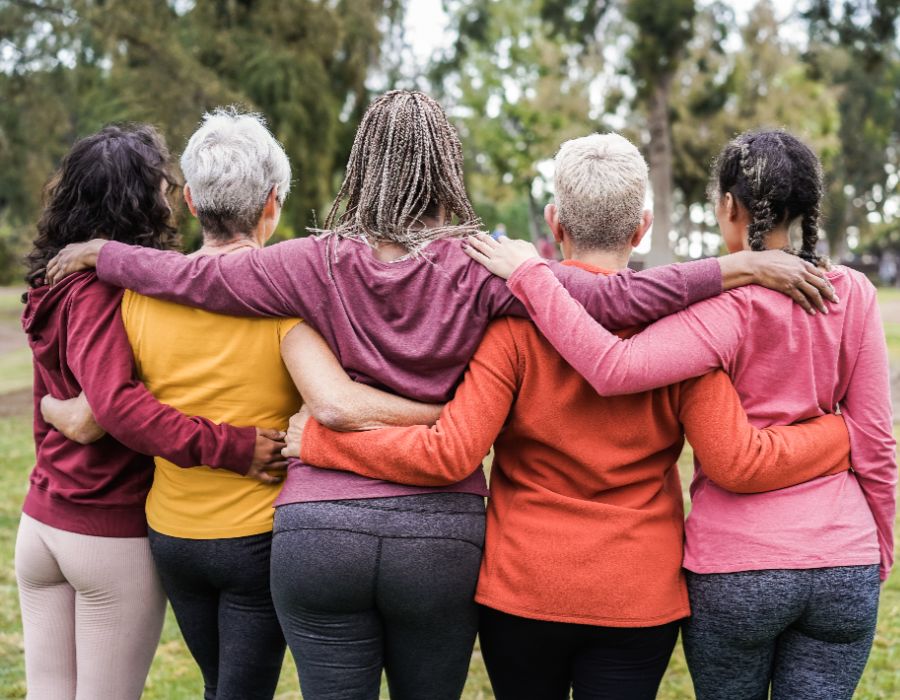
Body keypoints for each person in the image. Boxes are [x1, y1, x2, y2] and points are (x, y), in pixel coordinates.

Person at [44, 94, 835, 700]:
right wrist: (736, 267)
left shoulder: (312, 262)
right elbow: (614, 302)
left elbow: (188, 276)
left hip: (319, 526)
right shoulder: (481, 264)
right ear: (446, 164)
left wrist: (99, 251)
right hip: (440, 535)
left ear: (363, 163)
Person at [281, 133, 853, 699]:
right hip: (638, 594)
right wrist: (840, 431)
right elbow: (733, 453)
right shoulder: (681, 334)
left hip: (524, 591)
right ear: (643, 227)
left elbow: (450, 451)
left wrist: (322, 443)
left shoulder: (511, 332)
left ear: (554, 225)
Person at [463, 129, 896, 700]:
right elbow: (878, 443)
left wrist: (528, 275)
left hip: (713, 568)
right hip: (829, 560)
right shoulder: (855, 294)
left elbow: (615, 367)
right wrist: (878, 545)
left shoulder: (716, 309)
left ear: (727, 207)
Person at [17, 123, 285, 700]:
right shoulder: (112, 293)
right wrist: (233, 446)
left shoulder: (53, 283)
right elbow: (105, 410)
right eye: (161, 189)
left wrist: (51, 407)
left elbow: (72, 404)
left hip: (42, 520)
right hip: (104, 527)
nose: (169, 200)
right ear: (140, 201)